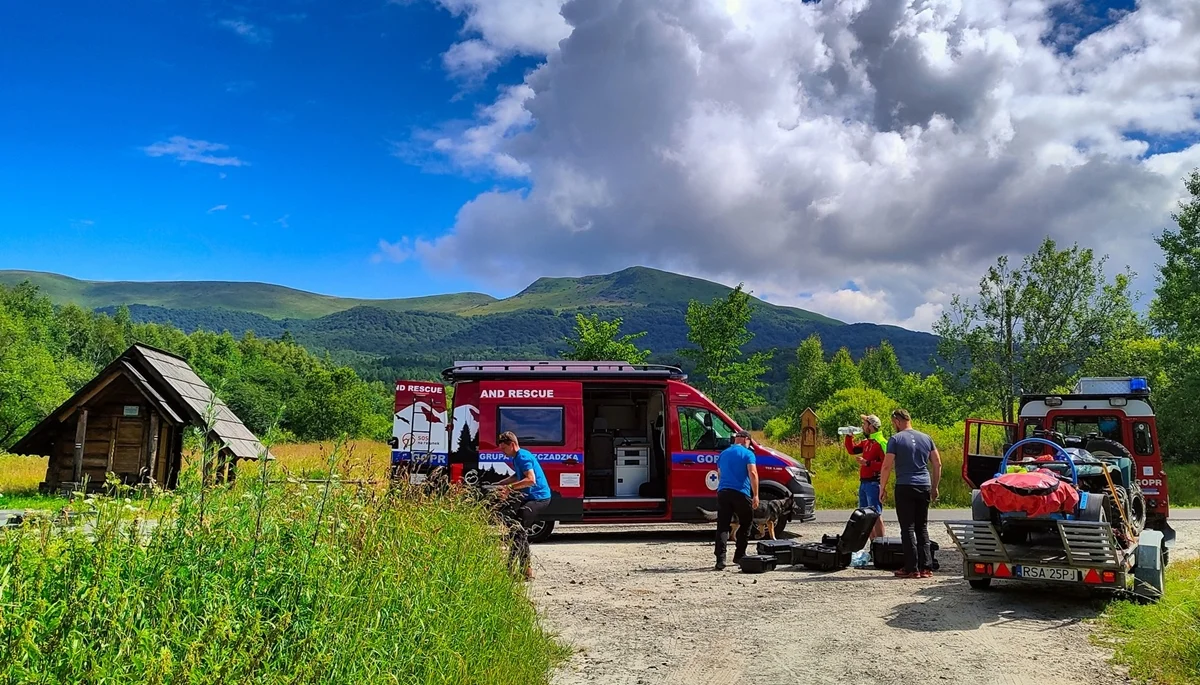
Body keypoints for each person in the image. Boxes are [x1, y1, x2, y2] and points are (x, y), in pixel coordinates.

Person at [879, 409, 942, 579]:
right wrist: (934, 486)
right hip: (924, 485)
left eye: (894, 423)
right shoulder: (926, 438)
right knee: (922, 527)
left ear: (897, 421)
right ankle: (926, 567)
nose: (894, 426)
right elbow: (937, 464)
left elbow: (886, 466)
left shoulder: (895, 439)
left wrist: (882, 487)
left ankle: (911, 567)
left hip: (905, 485)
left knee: (907, 528)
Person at [494, 431, 552, 580]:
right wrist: (501, 483)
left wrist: (509, 489)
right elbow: (518, 476)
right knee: (517, 531)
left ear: (512, 445)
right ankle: (522, 570)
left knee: (517, 530)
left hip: (539, 498)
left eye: (504, 448)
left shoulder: (523, 457)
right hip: (530, 497)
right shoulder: (517, 458)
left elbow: (530, 480)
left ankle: (519, 569)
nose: (502, 451)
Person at [714, 429, 759, 570]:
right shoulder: (748, 454)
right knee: (746, 522)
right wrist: (756, 494)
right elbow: (752, 473)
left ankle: (720, 560)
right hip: (741, 493)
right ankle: (739, 555)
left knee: (722, 526)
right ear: (747, 440)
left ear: (735, 440)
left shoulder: (723, 454)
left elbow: (720, 474)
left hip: (723, 492)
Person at [844, 414, 886, 541]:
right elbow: (852, 450)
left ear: (871, 426)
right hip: (864, 483)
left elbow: (886, 465)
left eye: (865, 424)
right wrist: (849, 436)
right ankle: (874, 545)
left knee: (876, 515)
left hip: (874, 483)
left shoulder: (881, 442)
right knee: (865, 517)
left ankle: (882, 544)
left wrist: (868, 463)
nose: (862, 426)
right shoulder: (866, 442)